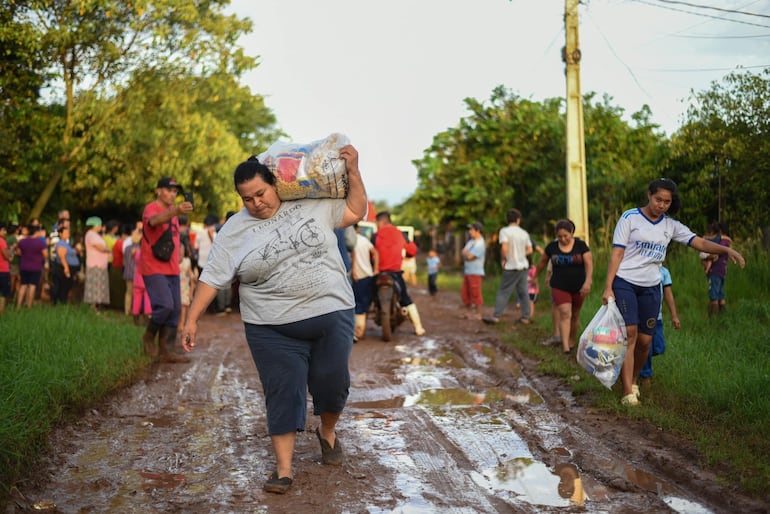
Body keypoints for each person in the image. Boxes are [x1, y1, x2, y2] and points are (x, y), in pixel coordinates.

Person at [181, 144, 368, 494]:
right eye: (247, 198)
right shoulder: (234, 229)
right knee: (282, 390)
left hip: (331, 312)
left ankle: (327, 432)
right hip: (270, 326)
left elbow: (356, 209)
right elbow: (212, 276)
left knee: (332, 384)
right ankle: (283, 470)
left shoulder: (310, 202)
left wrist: (354, 172)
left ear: (274, 185)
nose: (257, 203)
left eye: (261, 193)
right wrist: (192, 318)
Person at [602, 178, 745, 406]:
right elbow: (617, 254)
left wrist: (727, 250)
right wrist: (608, 286)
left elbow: (700, 243)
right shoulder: (630, 218)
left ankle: (634, 379)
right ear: (649, 195)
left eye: (666, 202)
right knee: (630, 333)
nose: (661, 205)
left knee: (645, 342)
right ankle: (627, 391)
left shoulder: (671, 225)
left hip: (651, 286)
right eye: (658, 199)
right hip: (625, 282)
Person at [140, 177, 193, 362]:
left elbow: (174, 237)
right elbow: (153, 222)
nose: (173, 194)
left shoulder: (173, 212)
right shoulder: (151, 208)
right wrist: (176, 211)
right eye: (169, 190)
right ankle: (148, 337)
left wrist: (179, 252)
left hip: (172, 267)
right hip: (153, 265)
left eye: (175, 192)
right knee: (165, 305)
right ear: (159, 191)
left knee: (176, 309)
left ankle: (166, 350)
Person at [532, 219, 593, 355]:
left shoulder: (581, 245)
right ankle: (565, 346)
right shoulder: (552, 247)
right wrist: (535, 276)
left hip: (579, 286)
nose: (563, 239)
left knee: (575, 315)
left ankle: (571, 340)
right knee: (565, 312)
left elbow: (589, 263)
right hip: (559, 285)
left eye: (566, 236)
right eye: (560, 236)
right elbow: (542, 262)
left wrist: (588, 281)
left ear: (572, 233)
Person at [374, 211, 426, 336]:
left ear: (381, 222)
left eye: (377, 223)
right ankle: (418, 327)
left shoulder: (375, 235)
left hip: (379, 273)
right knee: (406, 299)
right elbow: (413, 250)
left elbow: (371, 253)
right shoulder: (400, 234)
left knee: (369, 297)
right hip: (395, 274)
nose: (376, 225)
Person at [483, 208, 532, 325]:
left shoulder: (505, 231)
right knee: (524, 292)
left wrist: (504, 259)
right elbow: (530, 250)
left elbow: (504, 248)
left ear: (508, 220)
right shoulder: (524, 233)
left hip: (511, 266)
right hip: (523, 266)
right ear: (518, 220)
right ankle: (526, 317)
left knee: (503, 291)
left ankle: (496, 316)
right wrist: (520, 254)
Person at [638, 265, 680, 386]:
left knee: (659, 347)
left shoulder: (664, 272)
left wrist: (674, 316)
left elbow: (668, 294)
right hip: (644, 317)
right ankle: (645, 376)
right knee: (647, 347)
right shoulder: (642, 268)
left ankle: (638, 360)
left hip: (658, 317)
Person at [351, 223, 379, 341]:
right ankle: (360, 331)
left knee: (357, 304)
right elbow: (376, 253)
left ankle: (358, 332)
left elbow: (353, 257)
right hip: (367, 275)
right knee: (364, 304)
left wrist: (354, 271)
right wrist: (376, 269)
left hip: (356, 277)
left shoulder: (349, 241)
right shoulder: (364, 240)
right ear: (358, 229)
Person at [16, 224, 48, 309]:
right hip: (35, 267)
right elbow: (45, 254)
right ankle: (28, 305)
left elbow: (19, 253)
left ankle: (18, 306)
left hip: (23, 266)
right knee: (32, 286)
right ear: (37, 232)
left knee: (23, 285)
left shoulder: (22, 241)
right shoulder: (40, 243)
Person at [705, 221, 733, 316]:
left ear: (720, 231)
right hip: (723, 270)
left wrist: (706, 257)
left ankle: (714, 318)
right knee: (721, 294)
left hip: (715, 270)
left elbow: (715, 254)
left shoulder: (722, 242)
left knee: (714, 295)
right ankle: (723, 316)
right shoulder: (728, 241)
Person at [83, 216, 111, 311]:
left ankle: (96, 307)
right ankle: (93, 307)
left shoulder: (96, 235)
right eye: (99, 225)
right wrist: (108, 250)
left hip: (100, 264)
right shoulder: (91, 234)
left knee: (99, 286)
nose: (100, 227)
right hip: (95, 264)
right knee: (95, 286)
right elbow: (100, 247)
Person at [460, 221, 486, 320]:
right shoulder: (471, 242)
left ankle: (478, 314)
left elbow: (470, 256)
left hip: (476, 272)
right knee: (465, 293)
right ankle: (468, 312)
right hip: (468, 271)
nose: (470, 232)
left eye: (471, 229)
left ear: (477, 231)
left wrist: (467, 254)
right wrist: (467, 254)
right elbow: (463, 252)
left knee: (475, 293)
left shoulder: (480, 243)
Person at [51, 225, 80, 304]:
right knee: (63, 285)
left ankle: (63, 301)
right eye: (66, 233)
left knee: (67, 285)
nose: (68, 234)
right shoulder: (61, 244)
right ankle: (61, 301)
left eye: (68, 233)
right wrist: (66, 268)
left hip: (71, 267)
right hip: (64, 267)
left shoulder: (66, 244)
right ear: (60, 234)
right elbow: (62, 256)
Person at [0, 222, 13, 314]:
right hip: (2, 271)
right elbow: (6, 256)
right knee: (3, 295)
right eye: (4, 230)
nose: (5, 232)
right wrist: (11, 251)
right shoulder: (1, 241)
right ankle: (1, 313)